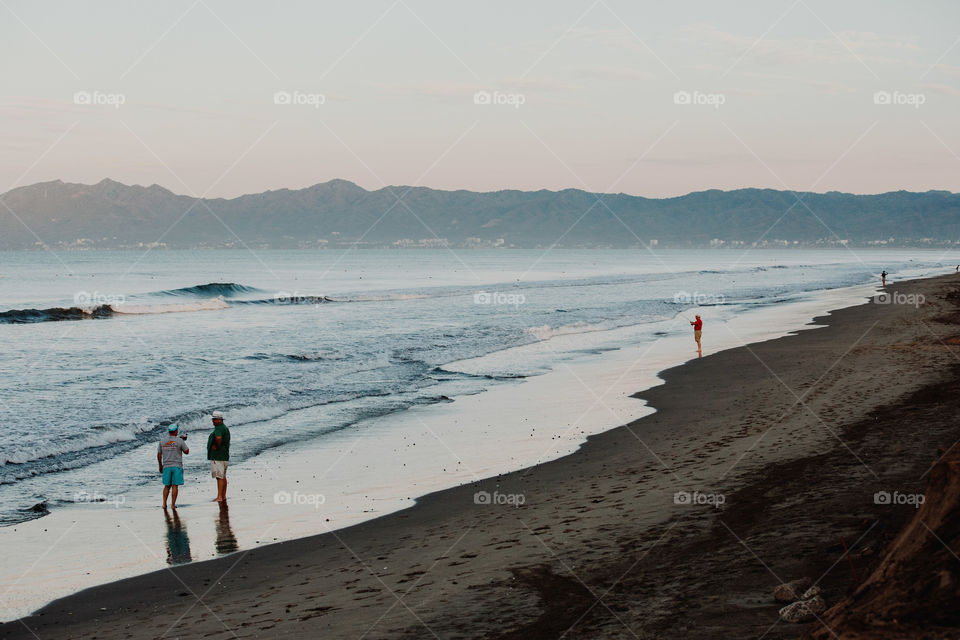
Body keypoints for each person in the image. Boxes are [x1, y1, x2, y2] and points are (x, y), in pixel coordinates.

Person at [158, 423, 189, 509]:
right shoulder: (180, 441)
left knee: (166, 486)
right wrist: (182, 441)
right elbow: (187, 451)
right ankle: (172, 505)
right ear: (176, 431)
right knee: (175, 485)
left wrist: (160, 465)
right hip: (177, 466)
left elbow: (159, 454)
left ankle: (164, 504)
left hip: (166, 466)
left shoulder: (162, 441)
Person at [207, 410, 231, 502]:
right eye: (213, 419)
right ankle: (223, 495)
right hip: (224, 455)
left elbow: (218, 438)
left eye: (214, 419)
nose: (213, 421)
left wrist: (216, 446)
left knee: (219, 476)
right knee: (223, 476)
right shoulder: (224, 428)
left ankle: (219, 496)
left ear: (219, 420)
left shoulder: (219, 428)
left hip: (218, 456)